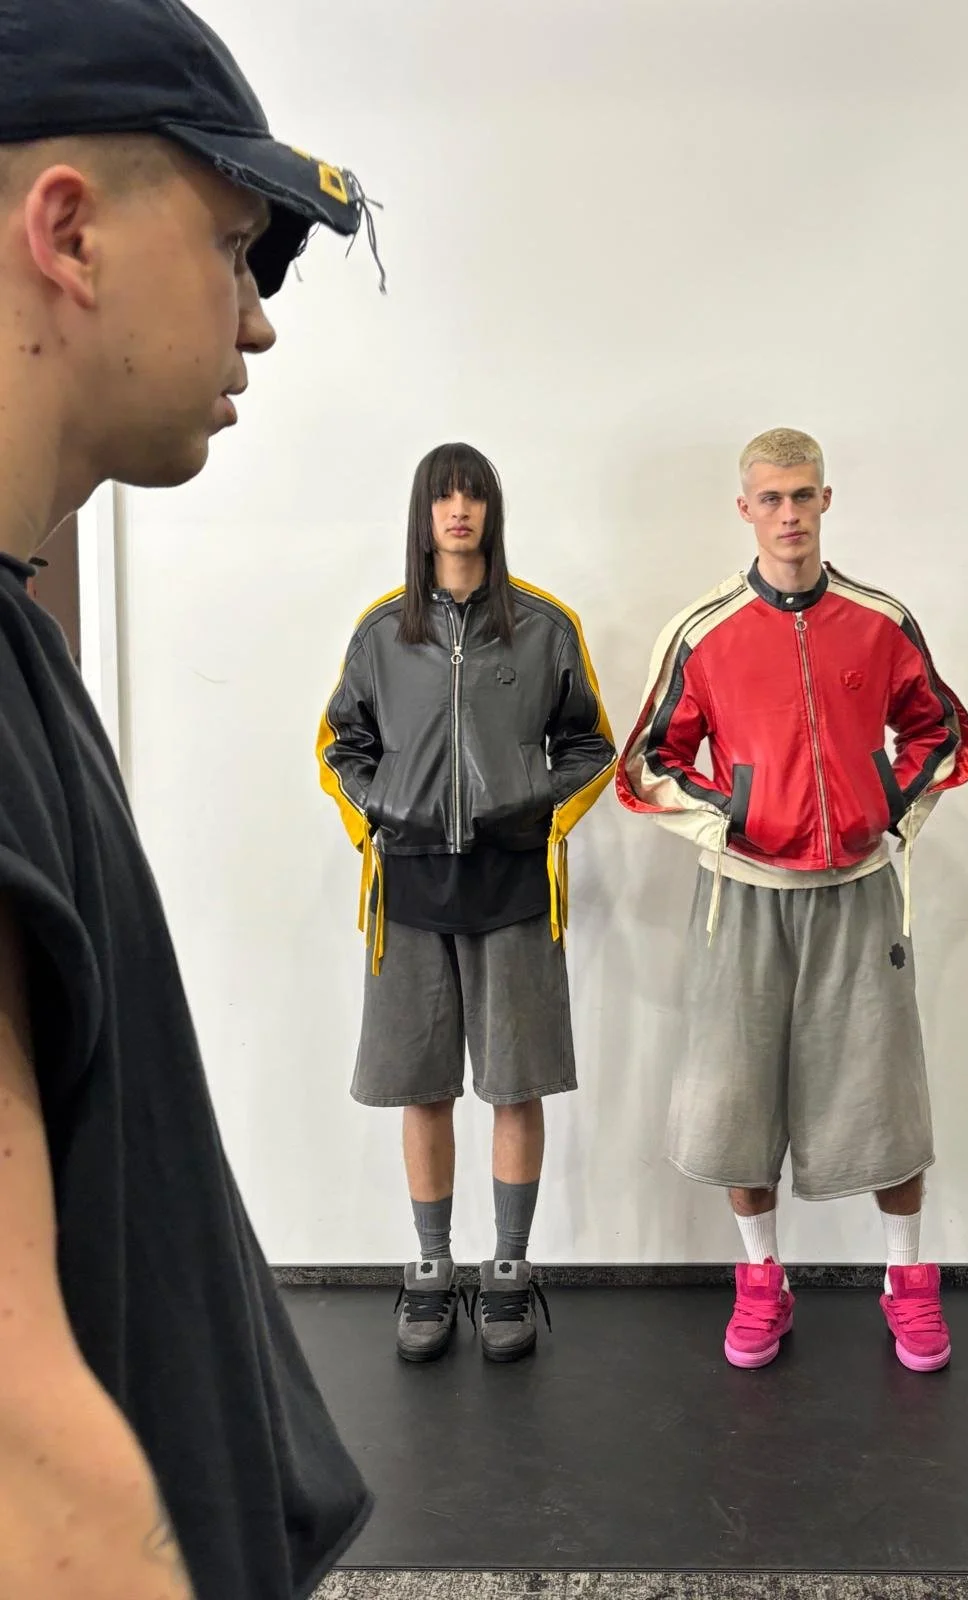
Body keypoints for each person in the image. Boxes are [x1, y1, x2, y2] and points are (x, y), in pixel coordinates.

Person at [0, 1, 382, 1595]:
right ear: (69, 235)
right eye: (234, 248)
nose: (258, 322)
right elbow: (22, 1459)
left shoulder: (19, 649)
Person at [617, 428, 968, 1374]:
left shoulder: (879, 621)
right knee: (738, 1099)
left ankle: (908, 1283)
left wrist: (883, 806)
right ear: (745, 509)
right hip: (741, 899)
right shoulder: (703, 632)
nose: (789, 514)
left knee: (885, 1094)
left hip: (859, 893)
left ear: (826, 500)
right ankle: (761, 1281)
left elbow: (940, 733)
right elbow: (648, 762)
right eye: (772, 498)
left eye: (804, 495)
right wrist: (735, 817)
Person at [318, 441, 615, 1364]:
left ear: (492, 511)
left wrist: (531, 806)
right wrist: (385, 811)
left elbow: (592, 747)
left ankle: (509, 1271)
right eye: (443, 496)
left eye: (473, 495)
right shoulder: (382, 633)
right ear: (423, 514)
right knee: (424, 1087)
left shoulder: (544, 627)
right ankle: (432, 1267)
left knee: (514, 1084)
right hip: (408, 891)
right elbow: (338, 746)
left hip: (514, 885)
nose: (458, 510)